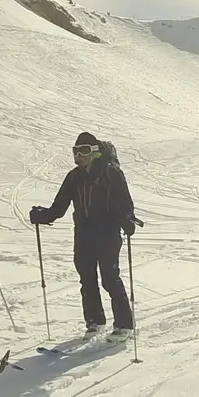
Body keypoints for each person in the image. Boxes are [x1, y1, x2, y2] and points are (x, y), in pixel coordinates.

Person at [29, 132, 137, 339]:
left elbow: (126, 203)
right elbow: (59, 207)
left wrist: (127, 219)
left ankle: (125, 325)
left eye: (84, 150)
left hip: (108, 234)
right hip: (84, 235)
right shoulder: (74, 177)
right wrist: (42, 215)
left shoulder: (111, 174)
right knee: (87, 278)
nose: (80, 155)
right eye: (76, 151)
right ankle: (95, 322)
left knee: (109, 278)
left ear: (95, 152)